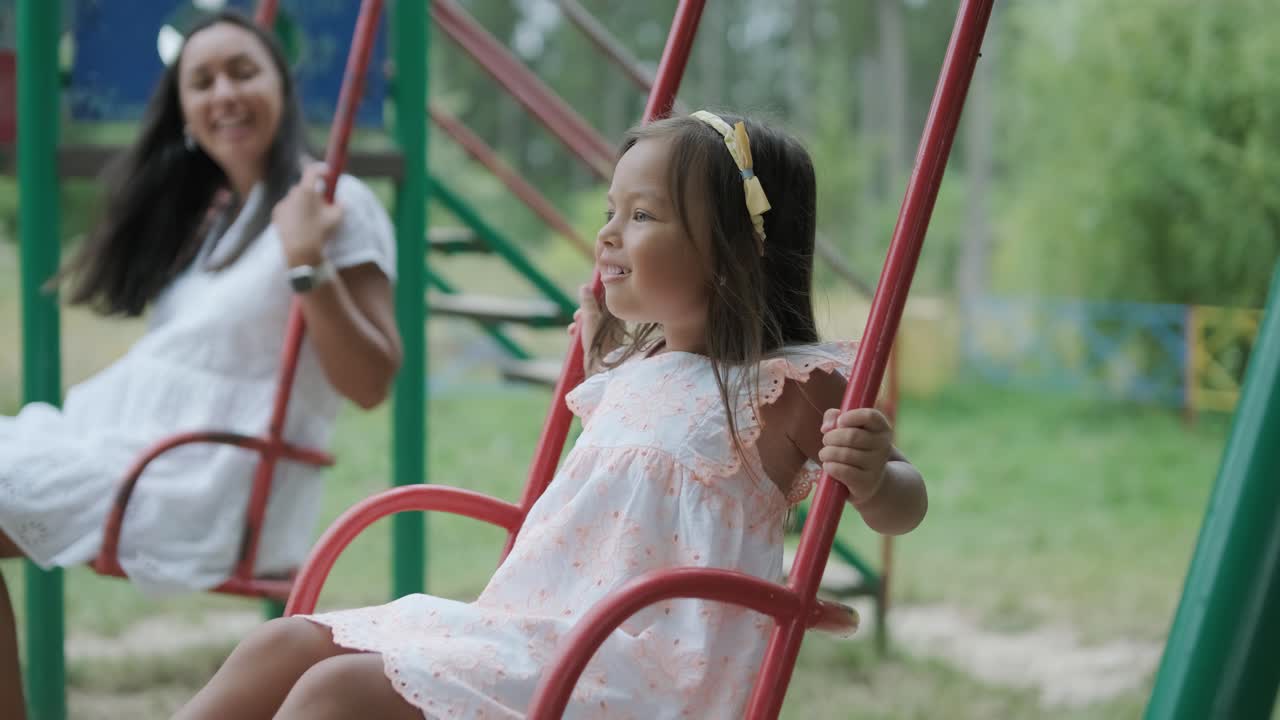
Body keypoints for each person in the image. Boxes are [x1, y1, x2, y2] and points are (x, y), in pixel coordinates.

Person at [175, 111, 927, 720]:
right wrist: (605, 346)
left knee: (337, 695)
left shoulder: (789, 386)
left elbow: (902, 501)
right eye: (610, 211)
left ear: (734, 251)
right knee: (282, 645)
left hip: (638, 671)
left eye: (642, 214)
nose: (608, 233)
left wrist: (874, 477)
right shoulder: (629, 372)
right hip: (529, 632)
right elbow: (644, 428)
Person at [0, 9, 401, 717]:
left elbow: (370, 382)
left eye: (243, 72)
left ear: (281, 86)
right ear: (183, 110)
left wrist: (307, 260)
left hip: (201, 479)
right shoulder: (217, 218)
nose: (225, 94)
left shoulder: (332, 202)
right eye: (203, 81)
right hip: (118, 448)